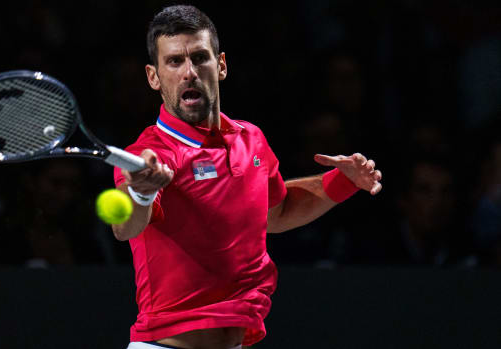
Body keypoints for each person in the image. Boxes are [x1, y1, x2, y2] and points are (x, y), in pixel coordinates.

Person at [112, 5, 382, 349]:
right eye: (174, 61)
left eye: (200, 57)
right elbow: (125, 229)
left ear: (221, 65)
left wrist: (344, 182)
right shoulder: (146, 155)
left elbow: (277, 212)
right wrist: (141, 194)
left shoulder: (250, 139)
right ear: (153, 76)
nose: (189, 72)